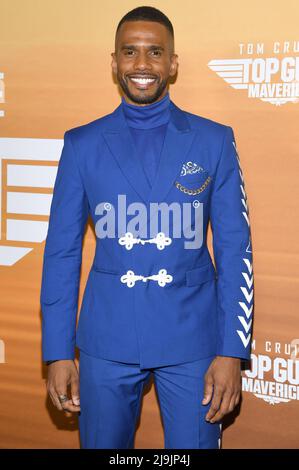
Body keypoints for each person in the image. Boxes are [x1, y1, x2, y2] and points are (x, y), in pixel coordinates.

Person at [40, 6, 254, 449]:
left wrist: (232, 350)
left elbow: (235, 249)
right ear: (114, 62)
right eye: (130, 52)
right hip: (106, 338)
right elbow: (62, 252)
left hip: (194, 340)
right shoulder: (81, 144)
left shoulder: (215, 140)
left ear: (172, 64)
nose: (142, 64)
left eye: (155, 52)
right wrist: (58, 351)